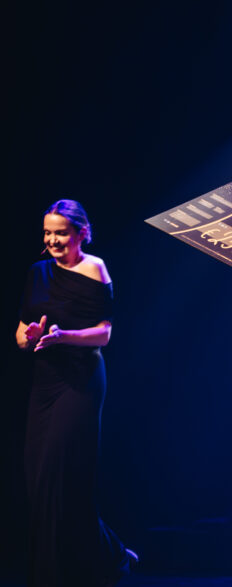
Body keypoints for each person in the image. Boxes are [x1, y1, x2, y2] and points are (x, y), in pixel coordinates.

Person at [15, 200, 136, 585]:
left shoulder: (95, 268)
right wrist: (30, 336)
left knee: (61, 476)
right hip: (45, 382)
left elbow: (104, 333)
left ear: (81, 233)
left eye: (61, 233)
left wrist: (62, 336)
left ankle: (61, 572)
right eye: (47, 233)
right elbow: (20, 334)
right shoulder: (37, 272)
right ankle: (109, 553)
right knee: (39, 478)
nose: (52, 240)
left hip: (81, 381)